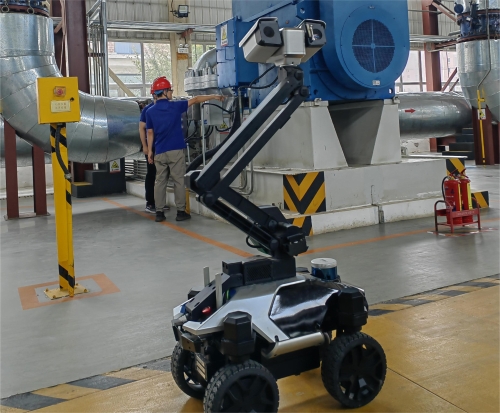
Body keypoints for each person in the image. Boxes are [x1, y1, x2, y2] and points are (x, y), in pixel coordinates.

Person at [146, 76, 224, 222]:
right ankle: (181, 212)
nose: (171, 92)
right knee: (179, 181)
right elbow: (196, 99)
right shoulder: (175, 106)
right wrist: (214, 96)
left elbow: (150, 133)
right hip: (175, 150)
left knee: (160, 182)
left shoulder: (150, 111)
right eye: (170, 90)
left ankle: (159, 213)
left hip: (160, 151)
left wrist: (150, 151)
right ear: (164, 92)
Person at [139, 85, 170, 214]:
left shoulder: (166, 107)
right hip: (152, 147)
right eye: (168, 90)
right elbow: (142, 128)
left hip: (163, 146)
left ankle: (159, 203)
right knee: (152, 174)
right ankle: (150, 203)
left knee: (162, 175)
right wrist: (146, 147)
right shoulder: (148, 110)